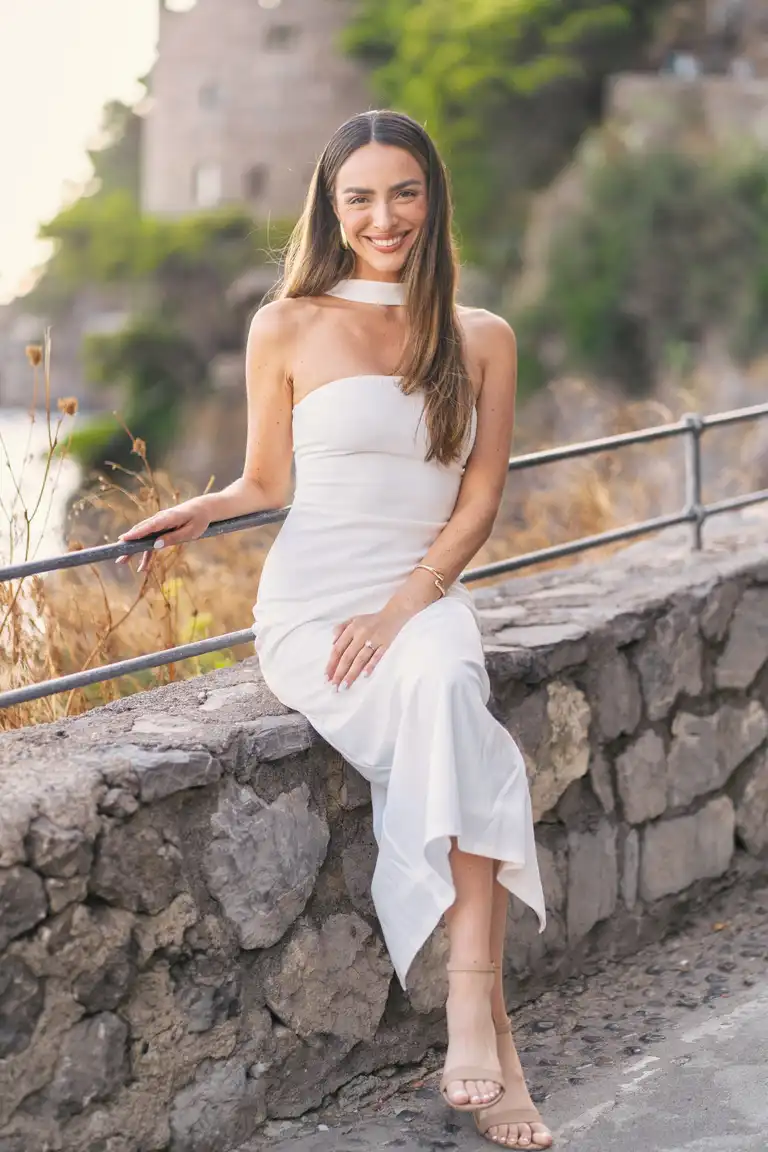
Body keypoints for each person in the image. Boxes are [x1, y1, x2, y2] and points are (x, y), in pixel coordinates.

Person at [117, 110, 552, 1150]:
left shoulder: (483, 335)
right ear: (332, 206)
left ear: (432, 199)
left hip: (422, 593)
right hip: (314, 604)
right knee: (460, 738)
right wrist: (207, 508)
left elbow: (480, 501)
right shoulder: (288, 322)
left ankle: (469, 1011)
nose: (382, 216)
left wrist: (407, 604)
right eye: (359, 196)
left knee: (447, 693)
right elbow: (268, 480)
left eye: (402, 192)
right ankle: (497, 1052)